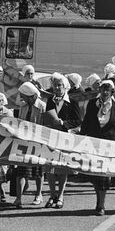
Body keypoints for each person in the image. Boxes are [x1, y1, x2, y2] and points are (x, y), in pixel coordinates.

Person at [80, 80, 115, 216]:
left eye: (108, 90)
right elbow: (86, 123)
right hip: (94, 144)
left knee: (104, 176)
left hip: (110, 145)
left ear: (112, 92)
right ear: (99, 90)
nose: (105, 92)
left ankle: (101, 204)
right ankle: (98, 200)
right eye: (103, 89)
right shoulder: (92, 104)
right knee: (96, 175)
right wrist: (81, 139)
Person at [45, 73, 81, 209]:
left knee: (62, 169)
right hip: (51, 137)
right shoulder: (50, 100)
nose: (57, 87)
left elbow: (77, 120)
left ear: (65, 87)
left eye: (60, 85)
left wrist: (63, 123)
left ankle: (60, 195)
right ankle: (52, 194)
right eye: (55, 85)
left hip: (65, 138)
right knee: (49, 167)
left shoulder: (72, 101)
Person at [13, 82, 46, 208]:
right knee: (21, 170)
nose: (22, 98)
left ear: (30, 95)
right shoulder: (23, 106)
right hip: (23, 142)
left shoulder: (42, 106)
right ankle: (18, 198)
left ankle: (38, 194)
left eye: (23, 96)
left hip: (37, 142)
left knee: (38, 171)